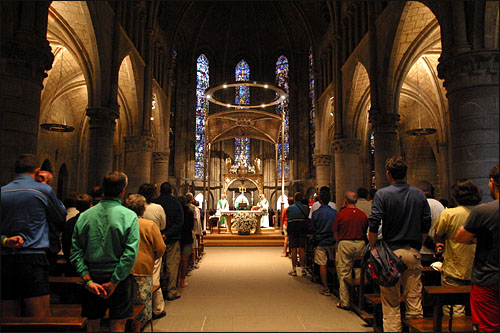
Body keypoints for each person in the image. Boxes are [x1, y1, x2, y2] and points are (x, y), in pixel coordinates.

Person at [70, 171, 139, 332]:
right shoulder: (129, 216)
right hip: (120, 280)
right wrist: (114, 281)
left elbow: (75, 251)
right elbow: (130, 254)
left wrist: (87, 280)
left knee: (92, 324)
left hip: (92, 277)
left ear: (103, 189)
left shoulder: (85, 216)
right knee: (118, 325)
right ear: (123, 190)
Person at [368, 156, 431, 332]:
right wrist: (419, 243)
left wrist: (374, 247)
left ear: (388, 174)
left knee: (391, 304)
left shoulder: (382, 194)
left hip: (390, 255)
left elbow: (374, 223)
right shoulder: (419, 194)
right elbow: (427, 223)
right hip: (413, 252)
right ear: (406, 173)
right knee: (414, 302)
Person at [1, 154, 66, 317]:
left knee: (8, 318)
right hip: (33, 259)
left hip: (5, 260)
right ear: (37, 171)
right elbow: (60, 218)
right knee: (39, 317)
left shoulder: (2, 192)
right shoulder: (43, 190)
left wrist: (5, 240)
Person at [456, 165, 499, 332]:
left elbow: (461, 236)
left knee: (487, 328)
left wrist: (476, 238)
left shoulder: (484, 211)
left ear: (492, 182)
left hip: (488, 277)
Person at [433, 180, 481, 317]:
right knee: (476, 307)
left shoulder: (449, 214)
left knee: (454, 309)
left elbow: (437, 236)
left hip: (454, 267)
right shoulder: (481, 212)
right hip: (477, 268)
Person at [125, 194, 166, 332]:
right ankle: (137, 328)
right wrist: (152, 258)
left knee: (124, 301)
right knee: (142, 301)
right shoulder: (149, 225)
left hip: (122, 268)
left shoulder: (122, 222)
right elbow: (160, 248)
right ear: (143, 210)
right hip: (143, 268)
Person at [333, 191, 368, 309]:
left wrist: (339, 241)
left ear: (345, 201)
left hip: (345, 243)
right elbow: (365, 230)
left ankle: (345, 302)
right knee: (359, 272)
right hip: (360, 244)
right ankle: (359, 300)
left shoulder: (341, 214)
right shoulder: (362, 214)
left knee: (344, 272)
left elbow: (335, 231)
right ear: (356, 201)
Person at [137, 183, 167, 319]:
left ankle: (139, 308)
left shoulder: (130, 212)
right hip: (152, 245)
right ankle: (156, 308)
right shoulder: (157, 208)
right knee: (154, 277)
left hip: (135, 247)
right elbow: (163, 225)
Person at [153, 181, 184, 301]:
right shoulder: (176, 203)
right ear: (171, 191)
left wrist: (161, 234)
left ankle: (158, 291)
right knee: (172, 264)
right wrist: (167, 234)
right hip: (171, 238)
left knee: (157, 266)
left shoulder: (155, 203)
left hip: (156, 239)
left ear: (160, 190)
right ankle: (171, 291)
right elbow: (179, 221)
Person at [311, 190, 338, 296]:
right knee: (334, 262)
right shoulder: (335, 213)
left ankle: (326, 287)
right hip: (332, 241)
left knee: (322, 263)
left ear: (320, 201)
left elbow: (313, 228)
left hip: (321, 242)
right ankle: (336, 285)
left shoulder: (316, 213)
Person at [417, 180, 445, 266]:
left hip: (422, 250)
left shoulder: (419, 204)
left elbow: (419, 227)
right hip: (438, 250)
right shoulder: (440, 205)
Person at [62, 193, 92, 263]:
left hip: (72, 261)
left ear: (76, 207)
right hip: (89, 263)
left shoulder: (70, 222)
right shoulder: (93, 222)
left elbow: (65, 245)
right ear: (91, 206)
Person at [286, 192, 309, 277]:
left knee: (293, 248)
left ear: (295, 199)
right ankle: (303, 269)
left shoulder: (290, 208)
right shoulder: (306, 208)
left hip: (293, 227)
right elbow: (306, 216)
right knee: (302, 248)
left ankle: (294, 269)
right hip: (302, 227)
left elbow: (288, 216)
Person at [177, 196, 194, 289]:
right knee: (185, 259)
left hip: (178, 237)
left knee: (176, 260)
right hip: (187, 237)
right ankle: (182, 280)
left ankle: (177, 279)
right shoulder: (189, 211)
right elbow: (192, 225)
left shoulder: (176, 212)